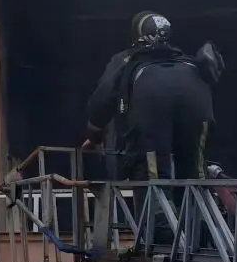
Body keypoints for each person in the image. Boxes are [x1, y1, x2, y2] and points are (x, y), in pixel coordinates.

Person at [83, 11, 222, 180]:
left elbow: (103, 97)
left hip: (151, 108)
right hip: (198, 100)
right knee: (194, 172)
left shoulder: (126, 60)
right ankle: (193, 204)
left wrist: (94, 134)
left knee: (153, 174)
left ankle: (157, 205)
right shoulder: (189, 63)